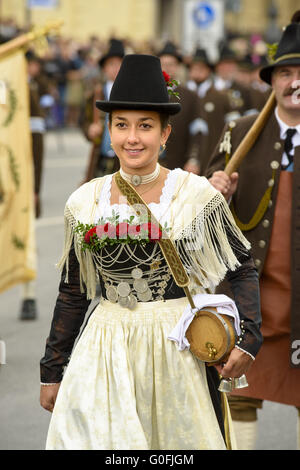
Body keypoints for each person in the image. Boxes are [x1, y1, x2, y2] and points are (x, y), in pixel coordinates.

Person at [40, 54, 262, 450]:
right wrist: (52, 371)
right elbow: (73, 288)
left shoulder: (195, 196)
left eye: (145, 126)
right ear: (109, 131)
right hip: (103, 350)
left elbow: (241, 267)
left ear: (165, 134)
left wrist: (248, 340)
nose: (132, 138)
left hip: (175, 350)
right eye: (121, 125)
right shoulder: (84, 202)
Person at [206, 14, 300, 450]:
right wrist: (216, 193)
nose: (294, 82)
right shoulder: (240, 132)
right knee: (238, 394)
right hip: (249, 296)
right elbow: (201, 214)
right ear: (272, 80)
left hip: (298, 298)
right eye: (286, 73)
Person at [80, 38, 124, 182]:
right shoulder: (96, 93)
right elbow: (83, 120)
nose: (115, 68)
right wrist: (89, 129)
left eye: (119, 64)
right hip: (101, 156)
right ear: (104, 68)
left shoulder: (132, 94)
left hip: (124, 159)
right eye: (111, 64)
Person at [157, 41, 204, 174]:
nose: (167, 68)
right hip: (149, 163)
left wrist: (193, 159)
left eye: (171, 65)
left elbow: (198, 130)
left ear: (177, 67)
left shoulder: (190, 96)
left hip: (178, 162)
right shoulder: (148, 93)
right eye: (163, 64)